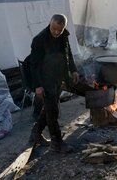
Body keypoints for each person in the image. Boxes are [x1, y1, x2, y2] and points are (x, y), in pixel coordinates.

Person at [28, 14, 79, 153]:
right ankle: (57, 143)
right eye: (54, 28)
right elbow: (34, 65)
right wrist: (38, 85)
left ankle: (35, 134)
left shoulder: (64, 36)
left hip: (57, 78)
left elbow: (68, 54)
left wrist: (73, 70)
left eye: (60, 30)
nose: (56, 32)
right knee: (53, 111)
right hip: (44, 80)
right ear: (50, 23)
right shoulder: (39, 40)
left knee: (49, 109)